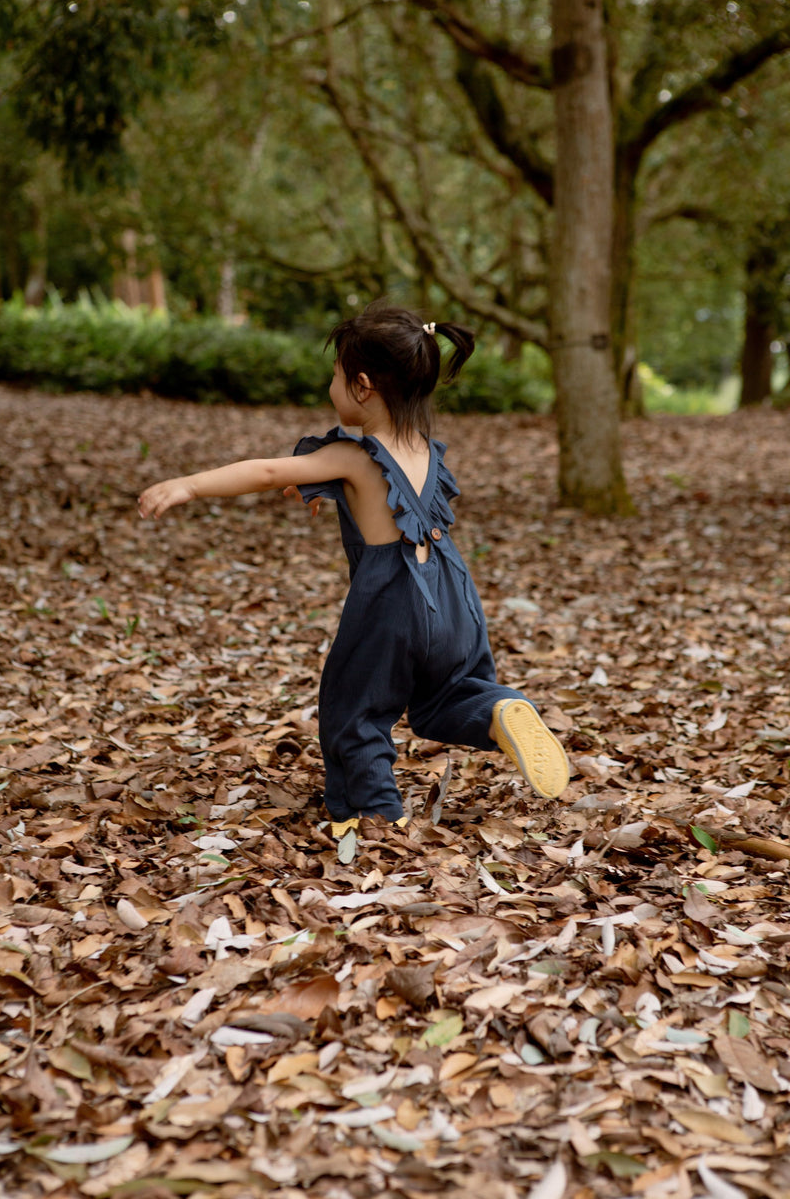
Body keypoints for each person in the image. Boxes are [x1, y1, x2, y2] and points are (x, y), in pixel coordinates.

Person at [138, 302, 570, 832]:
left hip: (393, 598)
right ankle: (499, 710)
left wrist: (189, 484)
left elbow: (272, 470)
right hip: (454, 591)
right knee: (442, 700)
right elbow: (390, 498)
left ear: (362, 386)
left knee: (355, 709)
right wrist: (328, 489)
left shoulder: (353, 455)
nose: (331, 388)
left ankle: (371, 818)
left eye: (336, 377)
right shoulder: (424, 448)